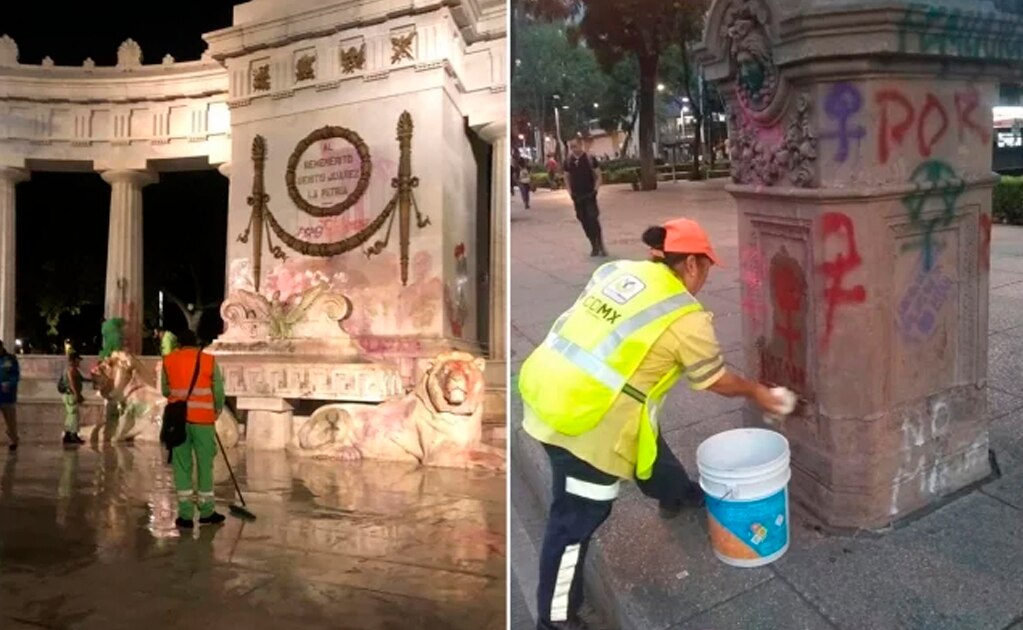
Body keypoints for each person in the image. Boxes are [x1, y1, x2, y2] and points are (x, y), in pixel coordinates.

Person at [517, 218, 793, 630]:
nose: (705, 277)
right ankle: (555, 619)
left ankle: (676, 494)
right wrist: (757, 392)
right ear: (693, 265)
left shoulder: (618, 270)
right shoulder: (685, 316)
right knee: (575, 521)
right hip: (583, 421)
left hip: (545, 384)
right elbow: (714, 379)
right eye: (708, 267)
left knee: (645, 434)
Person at [161, 329, 227, 528]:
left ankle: (186, 515)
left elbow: (166, 390)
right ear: (197, 344)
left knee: (182, 465)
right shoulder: (208, 360)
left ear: (179, 345)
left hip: (178, 421)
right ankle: (207, 512)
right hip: (203, 421)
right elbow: (218, 391)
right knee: (205, 465)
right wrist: (216, 410)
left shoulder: (169, 360)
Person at [563, 139, 606, 257]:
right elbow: (566, 177)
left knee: (593, 219)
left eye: (575, 146)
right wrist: (570, 192)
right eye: (571, 147)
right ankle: (593, 245)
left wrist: (595, 190)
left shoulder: (590, 159)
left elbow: (598, 175)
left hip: (590, 195)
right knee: (583, 221)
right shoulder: (568, 161)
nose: (573, 149)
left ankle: (600, 245)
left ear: (581, 145)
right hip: (577, 197)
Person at [62, 352, 87, 445]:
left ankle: (68, 435)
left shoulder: (72, 369)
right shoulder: (71, 370)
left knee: (70, 416)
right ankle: (73, 435)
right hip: (71, 395)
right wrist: (77, 394)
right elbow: (72, 382)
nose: (79, 362)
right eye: (78, 360)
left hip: (69, 395)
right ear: (74, 360)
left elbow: (81, 379)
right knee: (74, 416)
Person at [0, 340, 19, 451]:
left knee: (10, 420)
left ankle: (13, 440)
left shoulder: (10, 359)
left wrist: (9, 384)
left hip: (7, 395)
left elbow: (15, 374)